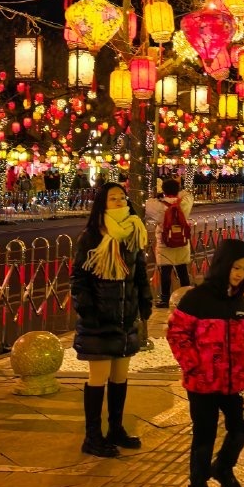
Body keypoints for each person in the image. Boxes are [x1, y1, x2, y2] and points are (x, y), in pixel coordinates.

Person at [166, 240, 244, 487]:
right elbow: (177, 333)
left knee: (241, 428)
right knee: (204, 435)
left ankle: (223, 468)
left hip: (233, 381)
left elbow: (242, 335)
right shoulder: (197, 298)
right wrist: (194, 365)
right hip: (202, 383)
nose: (240, 273)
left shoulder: (237, 297)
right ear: (222, 265)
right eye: (235, 267)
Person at [71, 181, 152, 458]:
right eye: (113, 198)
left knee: (120, 376)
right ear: (103, 204)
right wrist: (88, 311)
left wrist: (144, 303)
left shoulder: (133, 231)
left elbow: (140, 272)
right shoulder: (92, 236)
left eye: (122, 198)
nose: (119, 202)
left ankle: (115, 429)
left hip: (125, 317)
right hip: (99, 320)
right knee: (99, 378)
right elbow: (79, 278)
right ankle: (92, 437)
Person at [154, 177, 194, 307]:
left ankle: (165, 299)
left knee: (165, 271)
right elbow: (189, 195)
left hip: (165, 242)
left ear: (164, 191)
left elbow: (148, 204)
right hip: (181, 241)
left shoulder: (159, 205)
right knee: (182, 271)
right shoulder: (184, 203)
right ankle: (187, 298)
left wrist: (159, 191)